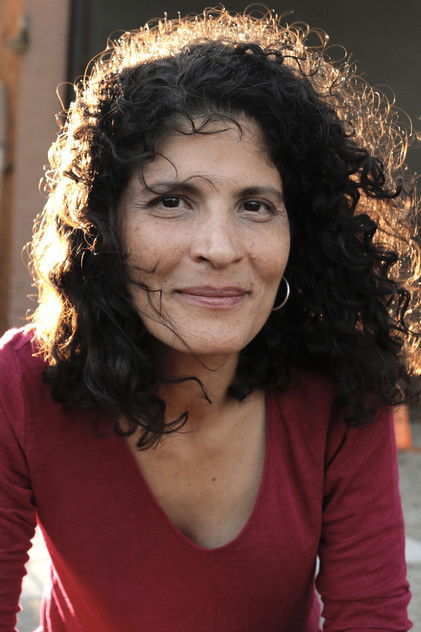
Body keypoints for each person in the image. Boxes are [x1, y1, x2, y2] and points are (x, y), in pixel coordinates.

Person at [0, 6, 419, 632]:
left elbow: (371, 618)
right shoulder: (20, 384)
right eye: (172, 201)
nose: (220, 249)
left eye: (256, 205)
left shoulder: (342, 381)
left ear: (300, 234)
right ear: (104, 228)